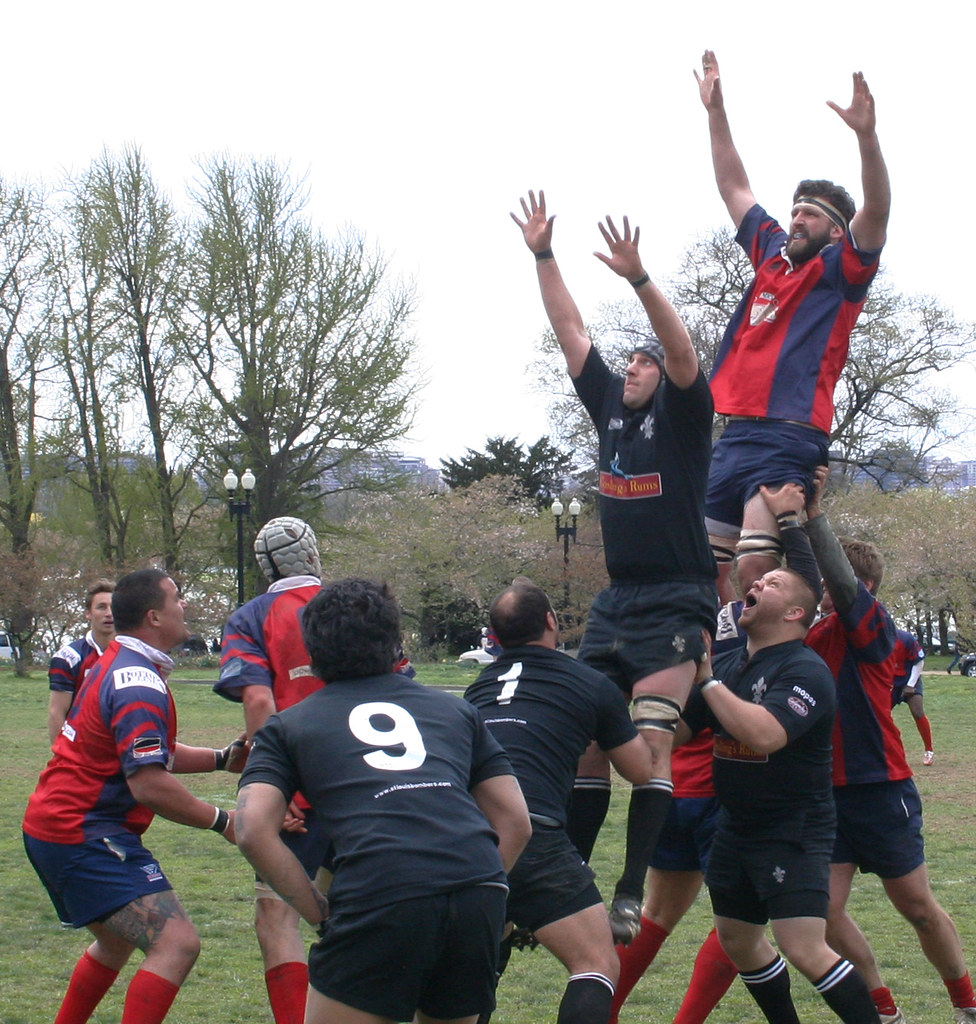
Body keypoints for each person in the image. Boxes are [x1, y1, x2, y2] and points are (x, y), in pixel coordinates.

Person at [512, 192, 717, 941]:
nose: (631, 367)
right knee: (588, 738)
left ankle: (631, 891)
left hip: (677, 598)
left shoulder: (687, 418)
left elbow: (686, 353)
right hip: (617, 601)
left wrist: (640, 279)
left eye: (642, 362)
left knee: (652, 739)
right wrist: (542, 254)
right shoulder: (610, 411)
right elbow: (569, 329)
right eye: (627, 360)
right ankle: (567, 879)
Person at [234, 577, 531, 1024]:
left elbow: (252, 828)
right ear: (396, 645)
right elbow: (516, 822)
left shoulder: (288, 726)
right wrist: (480, 885)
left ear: (312, 653)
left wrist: (317, 912)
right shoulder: (455, 710)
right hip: (477, 889)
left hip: (381, 889)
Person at [695, 50, 891, 604]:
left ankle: (778, 662)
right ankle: (720, 672)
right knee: (706, 572)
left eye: (811, 214)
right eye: (795, 208)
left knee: (756, 560)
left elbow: (876, 211)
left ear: (835, 233)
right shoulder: (771, 256)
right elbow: (733, 185)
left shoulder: (839, 273)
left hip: (790, 436)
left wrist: (867, 140)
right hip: (733, 435)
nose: (796, 217)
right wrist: (715, 112)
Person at [680, 503, 880, 1024]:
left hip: (792, 827)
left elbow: (766, 735)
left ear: (795, 613)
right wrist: (653, 691)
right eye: (759, 580)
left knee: (803, 946)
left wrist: (705, 680)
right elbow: (682, 731)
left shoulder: (805, 670)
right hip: (736, 826)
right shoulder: (728, 663)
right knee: (739, 940)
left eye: (772, 583)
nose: (758, 584)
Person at [23, 568, 246, 1024]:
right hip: (80, 833)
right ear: (154, 617)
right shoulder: (137, 680)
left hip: (59, 827)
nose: (184, 605)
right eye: (177, 598)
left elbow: (149, 754)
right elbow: (148, 784)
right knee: (177, 943)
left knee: (117, 940)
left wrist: (222, 758)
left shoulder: (119, 662)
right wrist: (224, 821)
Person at [798, 471, 976, 1024]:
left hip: (880, 789)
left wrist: (812, 517)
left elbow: (842, 586)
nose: (821, 589)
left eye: (829, 581)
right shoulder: (813, 632)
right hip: (827, 795)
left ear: (857, 585)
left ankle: (967, 1005)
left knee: (917, 908)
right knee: (822, 913)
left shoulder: (874, 624)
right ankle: (883, 1008)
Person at [465, 579, 656, 1024]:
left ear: (496, 635)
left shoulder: (477, 689)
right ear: (551, 622)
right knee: (596, 962)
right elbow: (640, 771)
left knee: (474, 969)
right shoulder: (589, 683)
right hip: (530, 833)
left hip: (463, 836)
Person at [214, 515, 328, 1024]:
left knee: (278, 915)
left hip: (300, 794)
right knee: (376, 911)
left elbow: (259, 699)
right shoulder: (355, 605)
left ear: (265, 568)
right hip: (372, 784)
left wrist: (272, 790)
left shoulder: (249, 617)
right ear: (314, 555)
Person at [47, 579, 115, 745]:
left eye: (114, 607)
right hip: (82, 753)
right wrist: (63, 758)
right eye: (101, 607)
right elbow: (57, 712)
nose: (109, 613)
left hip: (121, 751)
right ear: (88, 613)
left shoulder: (133, 654)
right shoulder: (68, 658)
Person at [890, 628, 934, 765]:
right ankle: (893, 750)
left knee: (917, 711)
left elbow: (919, 661)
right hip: (890, 682)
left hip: (910, 680)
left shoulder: (905, 638)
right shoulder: (875, 640)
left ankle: (929, 750)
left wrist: (910, 685)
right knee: (881, 715)